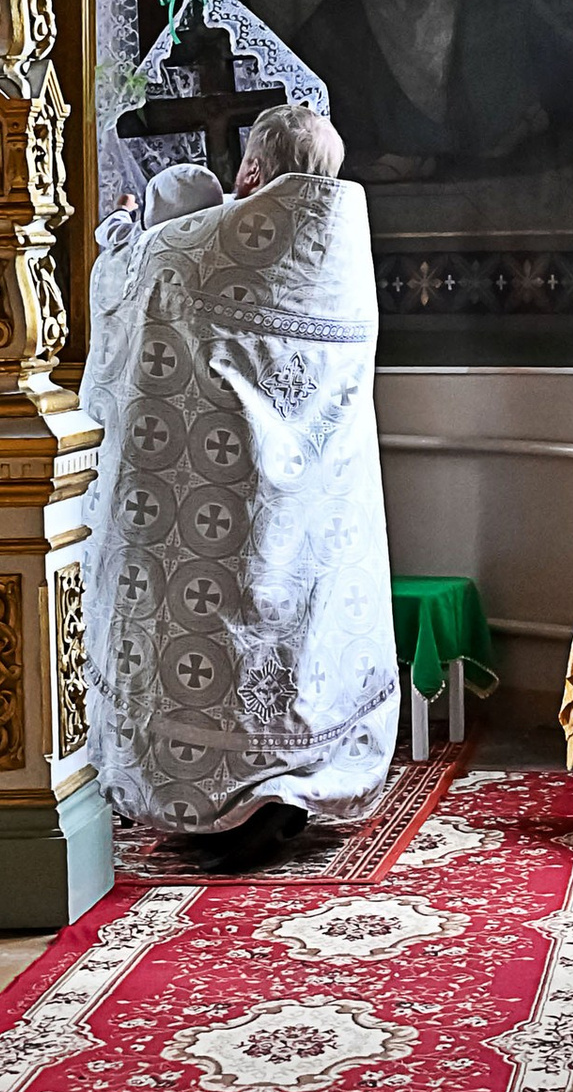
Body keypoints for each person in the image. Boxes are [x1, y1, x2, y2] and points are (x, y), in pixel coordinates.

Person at [81, 103, 398, 855]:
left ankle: (208, 792)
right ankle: (299, 779)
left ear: (252, 171)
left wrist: (124, 227)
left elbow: (131, 279)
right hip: (315, 509)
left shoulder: (200, 249)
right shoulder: (346, 250)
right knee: (293, 641)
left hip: (214, 507)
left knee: (216, 644)